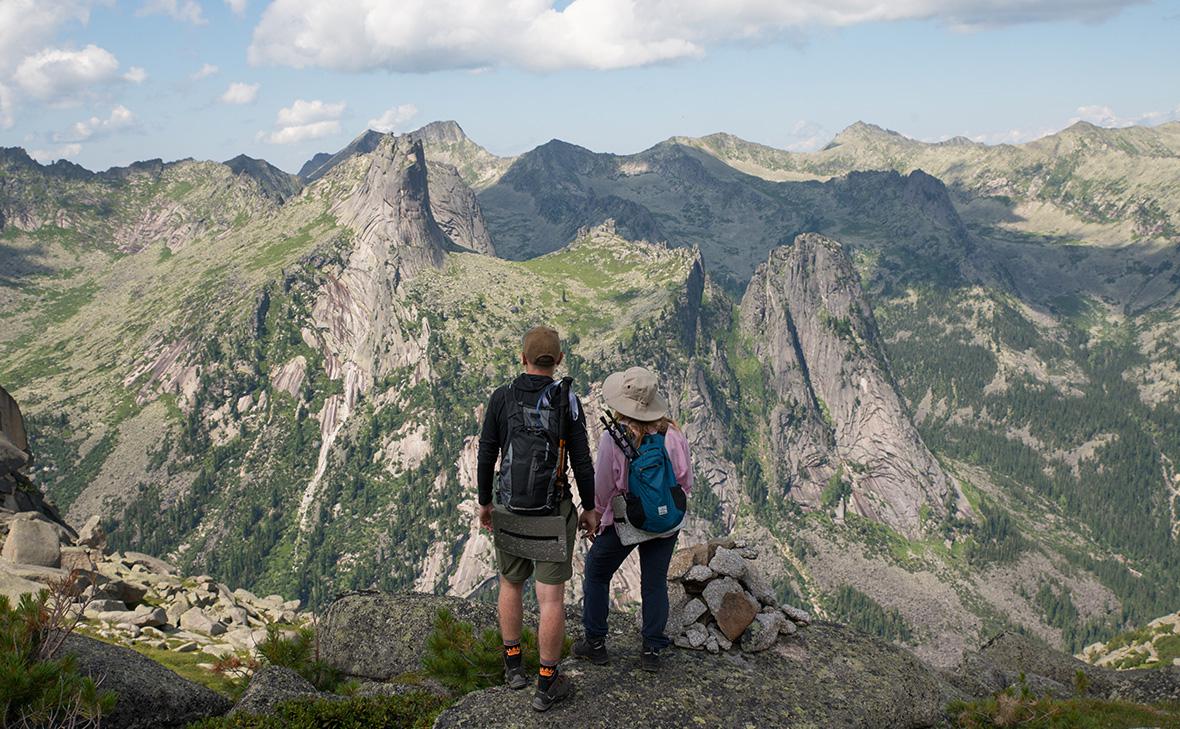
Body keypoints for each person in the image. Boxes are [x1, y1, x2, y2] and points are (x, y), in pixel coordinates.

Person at [476, 326, 600, 711]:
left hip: (510, 509)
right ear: (558, 360)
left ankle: (513, 665)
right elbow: (581, 460)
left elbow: (486, 455)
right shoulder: (568, 401)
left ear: (522, 358)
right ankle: (547, 683)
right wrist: (589, 507)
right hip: (551, 513)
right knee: (550, 600)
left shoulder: (502, 397)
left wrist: (486, 503)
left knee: (510, 585)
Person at [574, 366, 692, 672]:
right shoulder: (673, 433)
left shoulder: (614, 438)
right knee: (654, 583)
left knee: (597, 572)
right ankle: (652, 649)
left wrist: (599, 515)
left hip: (629, 522)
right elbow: (683, 479)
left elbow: (604, 485)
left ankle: (596, 644)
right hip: (667, 522)